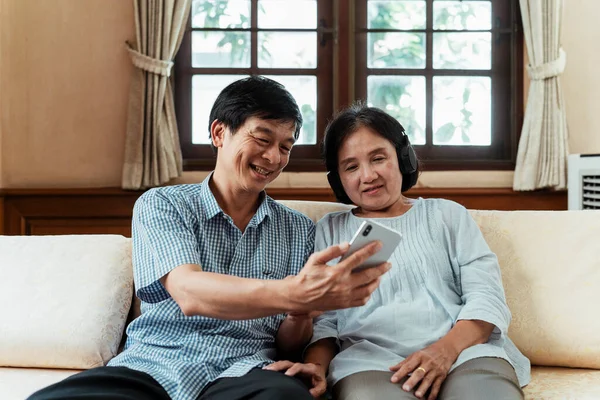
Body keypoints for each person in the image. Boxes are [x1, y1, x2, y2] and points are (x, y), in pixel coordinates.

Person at [27, 77, 391, 400]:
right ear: (219, 133)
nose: (273, 157)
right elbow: (188, 291)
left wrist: (300, 311)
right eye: (263, 139)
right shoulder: (163, 204)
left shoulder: (298, 229)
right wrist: (294, 292)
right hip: (154, 363)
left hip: (249, 370)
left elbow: (289, 342)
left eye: (285, 147)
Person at [266, 104, 531, 400]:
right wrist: (316, 366)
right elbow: (325, 321)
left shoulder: (447, 215)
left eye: (378, 158)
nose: (367, 176)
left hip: (462, 353)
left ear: (402, 157)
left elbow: (486, 297)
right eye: (351, 166)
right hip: (368, 364)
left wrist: (442, 352)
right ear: (337, 178)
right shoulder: (330, 229)